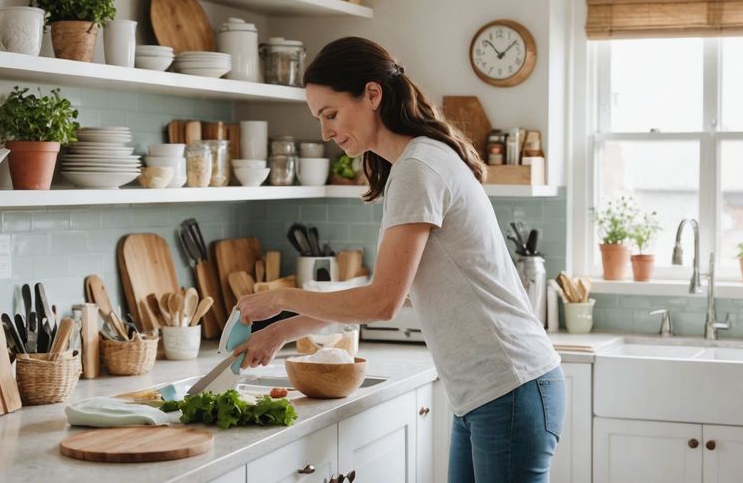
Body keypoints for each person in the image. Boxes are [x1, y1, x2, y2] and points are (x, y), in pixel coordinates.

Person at [234, 36, 564, 482]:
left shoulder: (418, 168)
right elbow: (394, 294)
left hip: (508, 387)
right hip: (491, 391)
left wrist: (281, 299)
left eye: (330, 114)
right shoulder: (415, 164)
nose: (325, 132)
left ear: (373, 94)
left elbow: (381, 303)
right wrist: (283, 331)